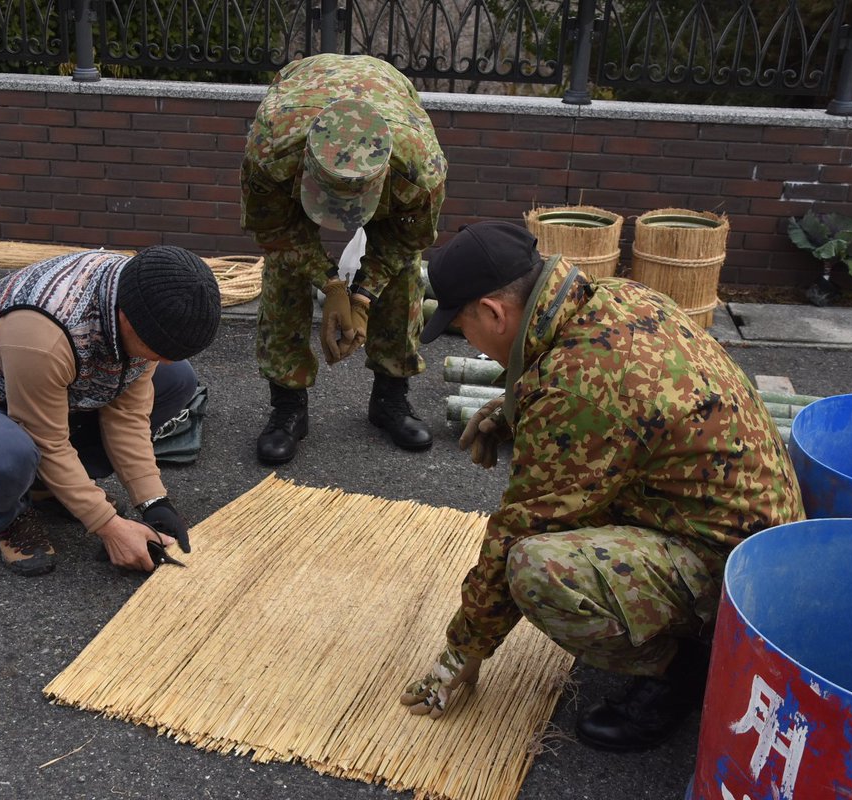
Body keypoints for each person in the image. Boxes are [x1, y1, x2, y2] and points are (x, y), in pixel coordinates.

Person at [399, 221, 804, 751]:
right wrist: (515, 409)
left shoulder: (576, 389)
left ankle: (686, 669)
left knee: (536, 568)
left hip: (738, 580)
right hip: (759, 534)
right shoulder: (614, 297)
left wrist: (463, 650)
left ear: (495, 313)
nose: (466, 338)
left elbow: (521, 527)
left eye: (462, 325)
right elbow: (607, 396)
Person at [0, 247, 222, 577]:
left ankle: (47, 486)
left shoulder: (142, 295)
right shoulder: (42, 333)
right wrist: (108, 526)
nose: (164, 359)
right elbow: (48, 440)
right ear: (128, 321)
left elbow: (127, 414)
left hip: (43, 388)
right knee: (8, 454)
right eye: (158, 350)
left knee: (176, 378)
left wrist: (153, 500)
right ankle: (11, 517)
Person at [240, 53, 448, 464]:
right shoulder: (270, 151)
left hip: (389, 96)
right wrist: (332, 286)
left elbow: (405, 242)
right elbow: (276, 233)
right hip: (302, 99)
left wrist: (364, 298)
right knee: (284, 270)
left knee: (405, 272)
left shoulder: (420, 169)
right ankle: (288, 405)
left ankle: (390, 398)